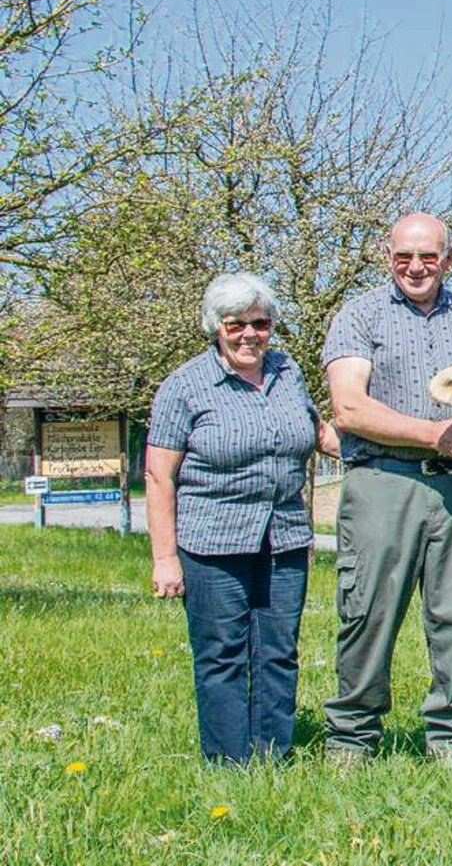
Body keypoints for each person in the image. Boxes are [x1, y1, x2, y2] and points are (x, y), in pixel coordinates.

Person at [320, 212, 452, 766]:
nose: (415, 267)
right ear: (387, 256)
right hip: (383, 481)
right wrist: (435, 435)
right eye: (404, 256)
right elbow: (348, 408)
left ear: (448, 258)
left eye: (427, 256)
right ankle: (352, 738)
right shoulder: (360, 315)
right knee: (367, 612)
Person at [146, 272, 338, 764]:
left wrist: (386, 443)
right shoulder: (186, 386)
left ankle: (273, 756)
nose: (250, 334)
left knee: (277, 651)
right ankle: (229, 762)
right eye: (237, 325)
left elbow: (320, 433)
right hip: (212, 542)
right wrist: (165, 558)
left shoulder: (286, 372)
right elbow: (158, 476)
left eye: (261, 323)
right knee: (222, 654)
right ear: (216, 327)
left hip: (285, 539)